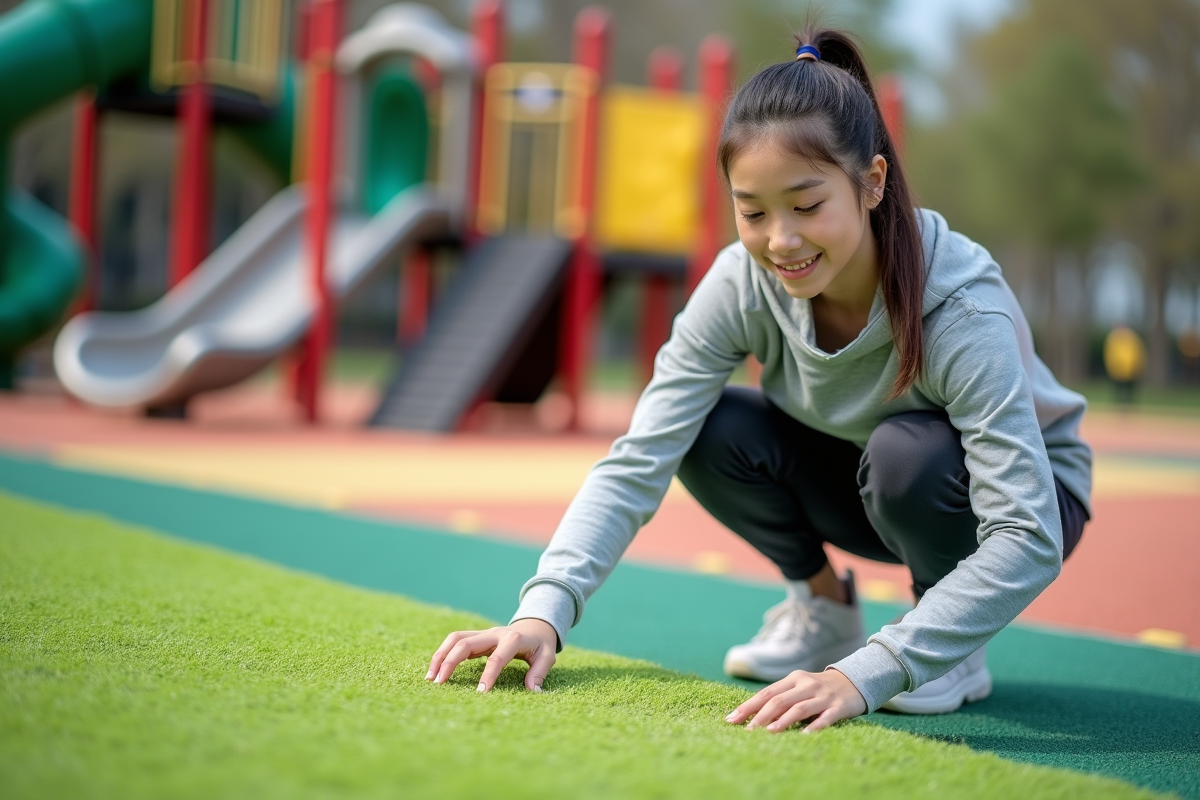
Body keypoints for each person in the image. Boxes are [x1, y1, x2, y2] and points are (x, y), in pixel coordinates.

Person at [426, 28, 1092, 734]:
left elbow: (1026, 533)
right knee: (706, 428)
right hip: (864, 475)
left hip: (1019, 497)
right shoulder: (742, 284)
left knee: (907, 456)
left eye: (806, 206)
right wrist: (543, 611)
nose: (781, 240)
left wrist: (867, 673)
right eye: (753, 211)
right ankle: (822, 610)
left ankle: (944, 646)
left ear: (871, 181)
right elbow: (638, 456)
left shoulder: (959, 306)